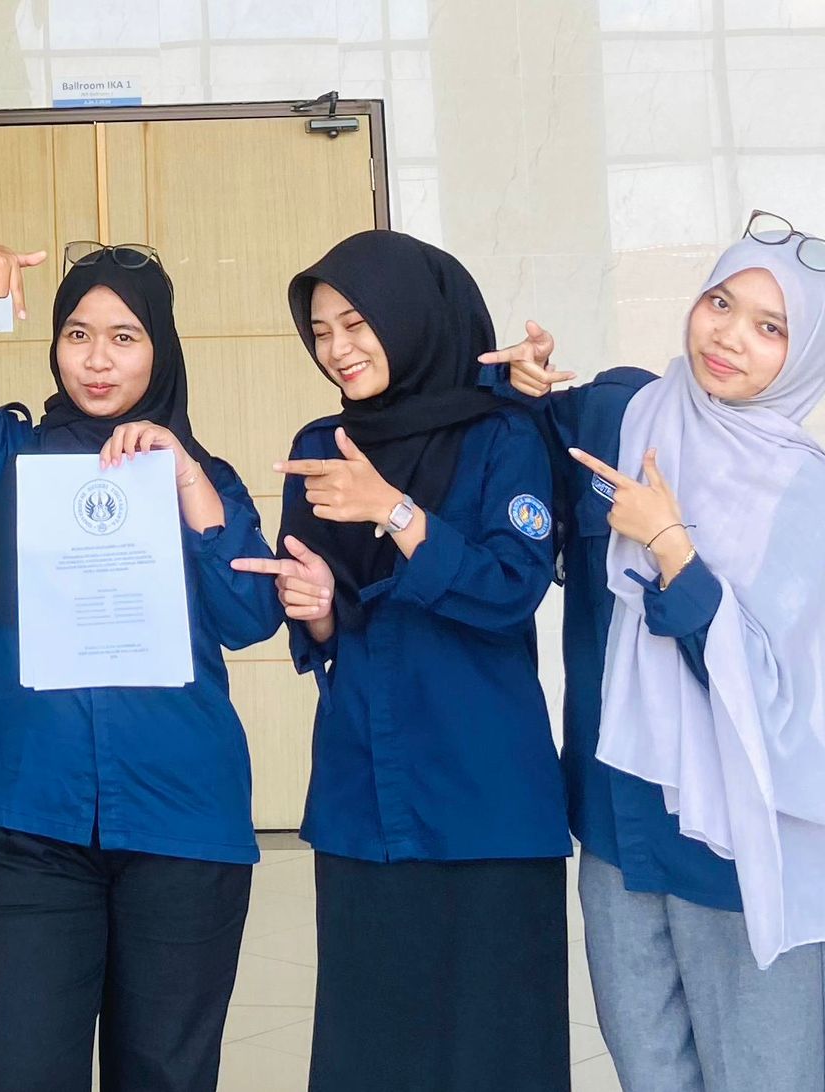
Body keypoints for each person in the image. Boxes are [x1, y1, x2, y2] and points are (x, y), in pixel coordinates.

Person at [0, 238, 285, 1092]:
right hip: (35, 822)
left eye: (125, 338)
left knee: (165, 1072)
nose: (97, 360)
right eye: (78, 335)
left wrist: (187, 478)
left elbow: (250, 617)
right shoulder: (1, 460)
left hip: (182, 819)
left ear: (161, 350)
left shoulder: (204, 477)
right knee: (23, 1069)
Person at [481, 216, 825, 1092]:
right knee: (649, 1070)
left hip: (742, 842)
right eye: (721, 303)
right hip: (618, 818)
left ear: (805, 355)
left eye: (770, 327)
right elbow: (516, 465)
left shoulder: (809, 497)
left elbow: (782, 699)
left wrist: (672, 547)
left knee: (764, 1074)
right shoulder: (619, 415)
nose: (729, 336)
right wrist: (520, 384)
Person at [233, 230, 572, 1091]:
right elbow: (325, 619)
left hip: (486, 794)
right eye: (321, 331)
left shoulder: (503, 433)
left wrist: (395, 511)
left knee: (498, 1052)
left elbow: (510, 590)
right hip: (365, 787)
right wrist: (313, 611)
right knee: (372, 1051)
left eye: (357, 324)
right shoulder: (321, 443)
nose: (338, 349)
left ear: (413, 317)